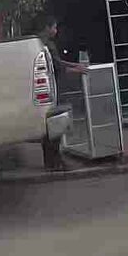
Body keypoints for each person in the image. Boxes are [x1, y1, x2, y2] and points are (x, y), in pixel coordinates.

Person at [37, 16, 79, 171]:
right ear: (47, 28)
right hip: (53, 87)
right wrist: (76, 68)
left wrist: (74, 65)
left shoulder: (37, 42)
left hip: (44, 88)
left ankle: (50, 162)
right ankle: (57, 161)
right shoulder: (48, 44)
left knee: (48, 126)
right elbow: (58, 65)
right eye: (54, 28)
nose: (56, 31)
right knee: (57, 124)